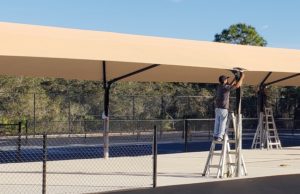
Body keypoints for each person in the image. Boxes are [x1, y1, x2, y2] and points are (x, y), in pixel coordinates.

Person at [213, 72, 245, 141]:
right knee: (222, 122)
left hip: (217, 108)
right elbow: (237, 86)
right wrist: (242, 77)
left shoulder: (219, 86)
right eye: (226, 80)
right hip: (223, 108)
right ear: (224, 81)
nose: (227, 81)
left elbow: (229, 86)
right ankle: (220, 136)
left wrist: (234, 78)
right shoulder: (226, 87)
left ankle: (215, 135)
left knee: (217, 122)